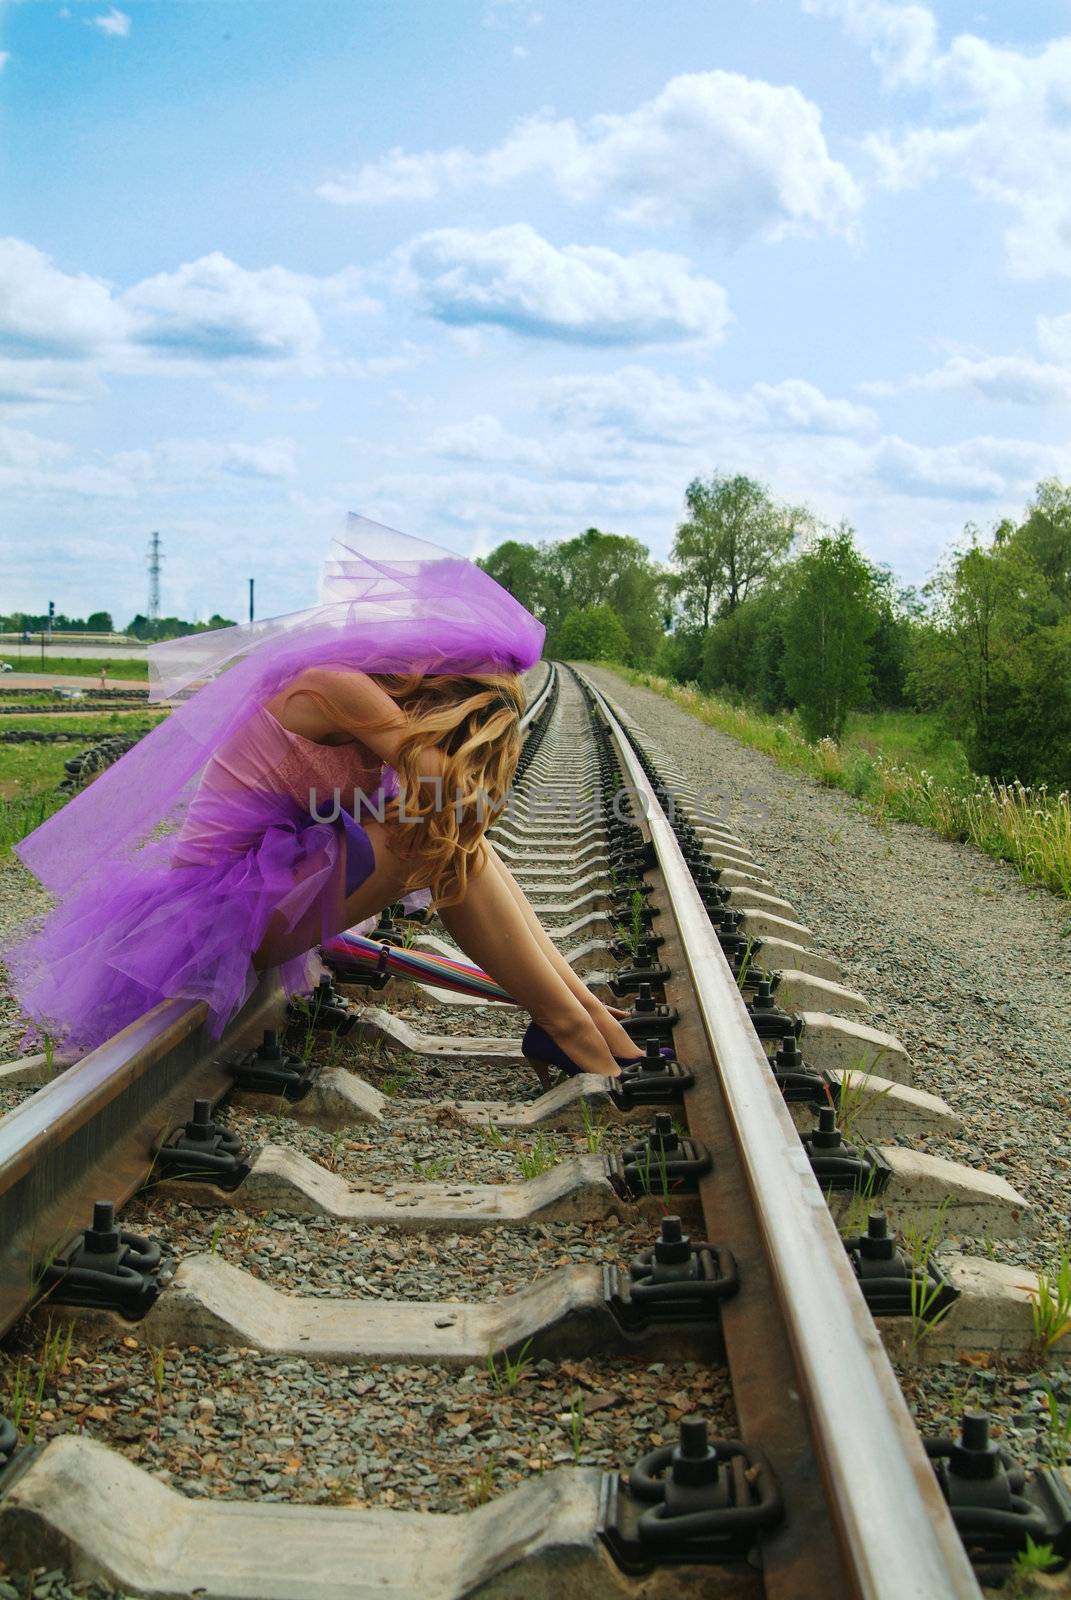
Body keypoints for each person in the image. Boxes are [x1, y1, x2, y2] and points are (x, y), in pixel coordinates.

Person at [2, 516, 641, 1082]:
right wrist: (482, 742)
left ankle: (578, 1013)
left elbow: (456, 805)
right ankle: (571, 1028)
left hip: (273, 888)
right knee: (431, 840)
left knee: (454, 840)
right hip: (219, 912)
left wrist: (485, 731)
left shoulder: (382, 701)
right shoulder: (342, 689)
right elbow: (447, 787)